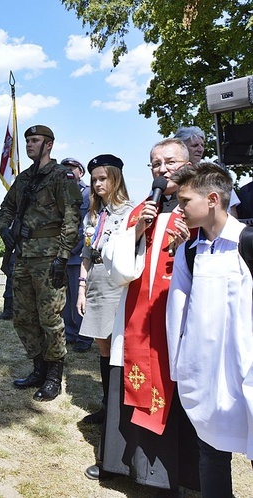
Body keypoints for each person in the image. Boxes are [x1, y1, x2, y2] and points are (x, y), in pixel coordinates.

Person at [95, 138, 200, 491]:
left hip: (179, 322)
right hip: (137, 319)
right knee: (128, 383)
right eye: (155, 164)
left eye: (170, 162)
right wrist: (138, 229)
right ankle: (124, 465)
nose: (162, 169)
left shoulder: (201, 208)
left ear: (188, 163)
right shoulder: (143, 208)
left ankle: (177, 472)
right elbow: (117, 266)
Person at [167, 162, 253, 497]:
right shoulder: (190, 250)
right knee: (211, 452)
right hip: (207, 376)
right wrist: (180, 367)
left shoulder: (247, 242)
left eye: (186, 201)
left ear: (213, 199)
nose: (180, 208)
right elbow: (177, 311)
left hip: (246, 371)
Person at [0, 125, 82, 401]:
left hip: (49, 257)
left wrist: (63, 256)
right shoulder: (24, 179)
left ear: (49, 145)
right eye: (28, 140)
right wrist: (4, 228)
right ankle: (38, 368)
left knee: (50, 319)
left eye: (35, 141)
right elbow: (5, 208)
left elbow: (71, 218)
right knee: (23, 317)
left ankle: (54, 376)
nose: (29, 145)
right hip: (22, 256)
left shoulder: (61, 177)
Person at [77, 155, 133, 428]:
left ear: (115, 179)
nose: (97, 184)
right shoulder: (93, 215)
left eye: (102, 179)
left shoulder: (130, 212)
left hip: (118, 281)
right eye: (94, 180)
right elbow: (86, 254)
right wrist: (81, 288)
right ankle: (107, 405)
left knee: (118, 345)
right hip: (97, 280)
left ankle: (120, 409)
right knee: (102, 345)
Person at [60, 157, 92, 353]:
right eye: (65, 170)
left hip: (79, 254)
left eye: (72, 169)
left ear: (81, 171)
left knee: (80, 296)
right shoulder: (60, 193)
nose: (68, 172)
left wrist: (71, 246)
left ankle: (84, 336)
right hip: (62, 253)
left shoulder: (88, 193)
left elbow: (87, 226)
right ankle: (70, 333)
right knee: (66, 298)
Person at [175, 125, 241, 216]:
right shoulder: (170, 173)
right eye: (195, 145)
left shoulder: (214, 171)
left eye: (202, 145)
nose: (200, 149)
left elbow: (231, 206)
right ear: (182, 148)